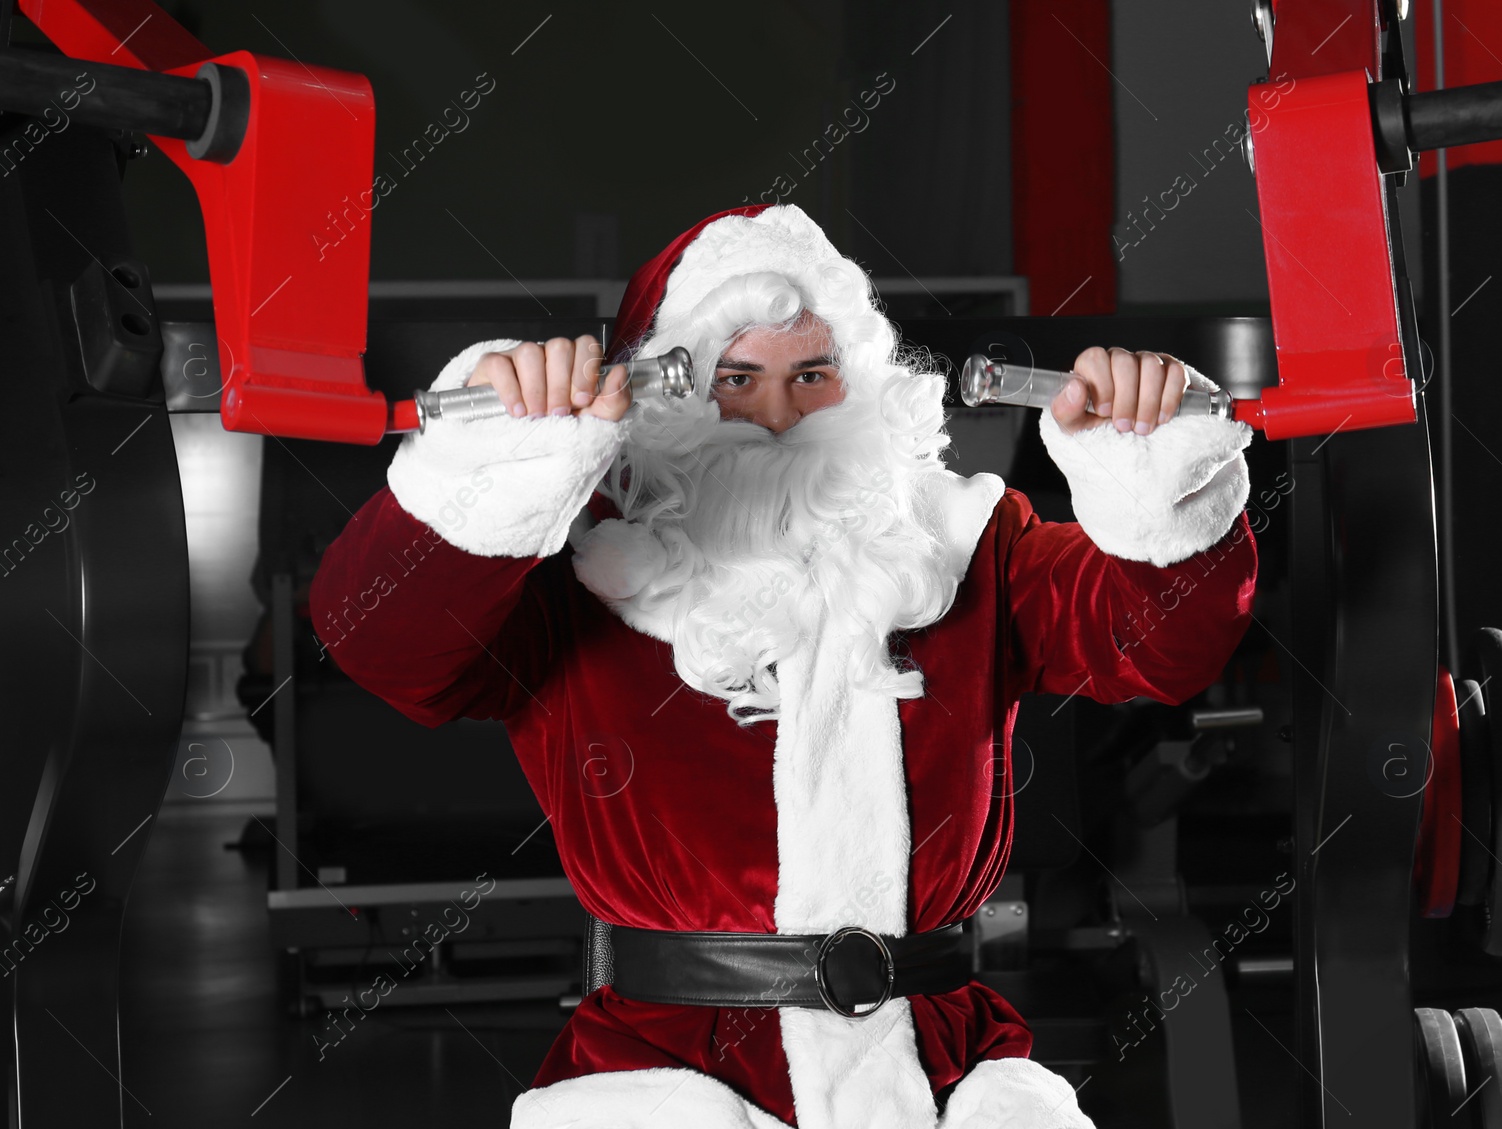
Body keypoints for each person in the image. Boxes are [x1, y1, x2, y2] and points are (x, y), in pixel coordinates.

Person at [309, 203, 1258, 1128]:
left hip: (940, 1065)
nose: (776, 418)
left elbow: (1161, 641)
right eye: (735, 378)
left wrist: (1148, 460)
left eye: (813, 374)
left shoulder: (965, 546)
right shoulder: (573, 577)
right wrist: (491, 468)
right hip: (666, 1069)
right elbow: (379, 640)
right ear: (662, 397)